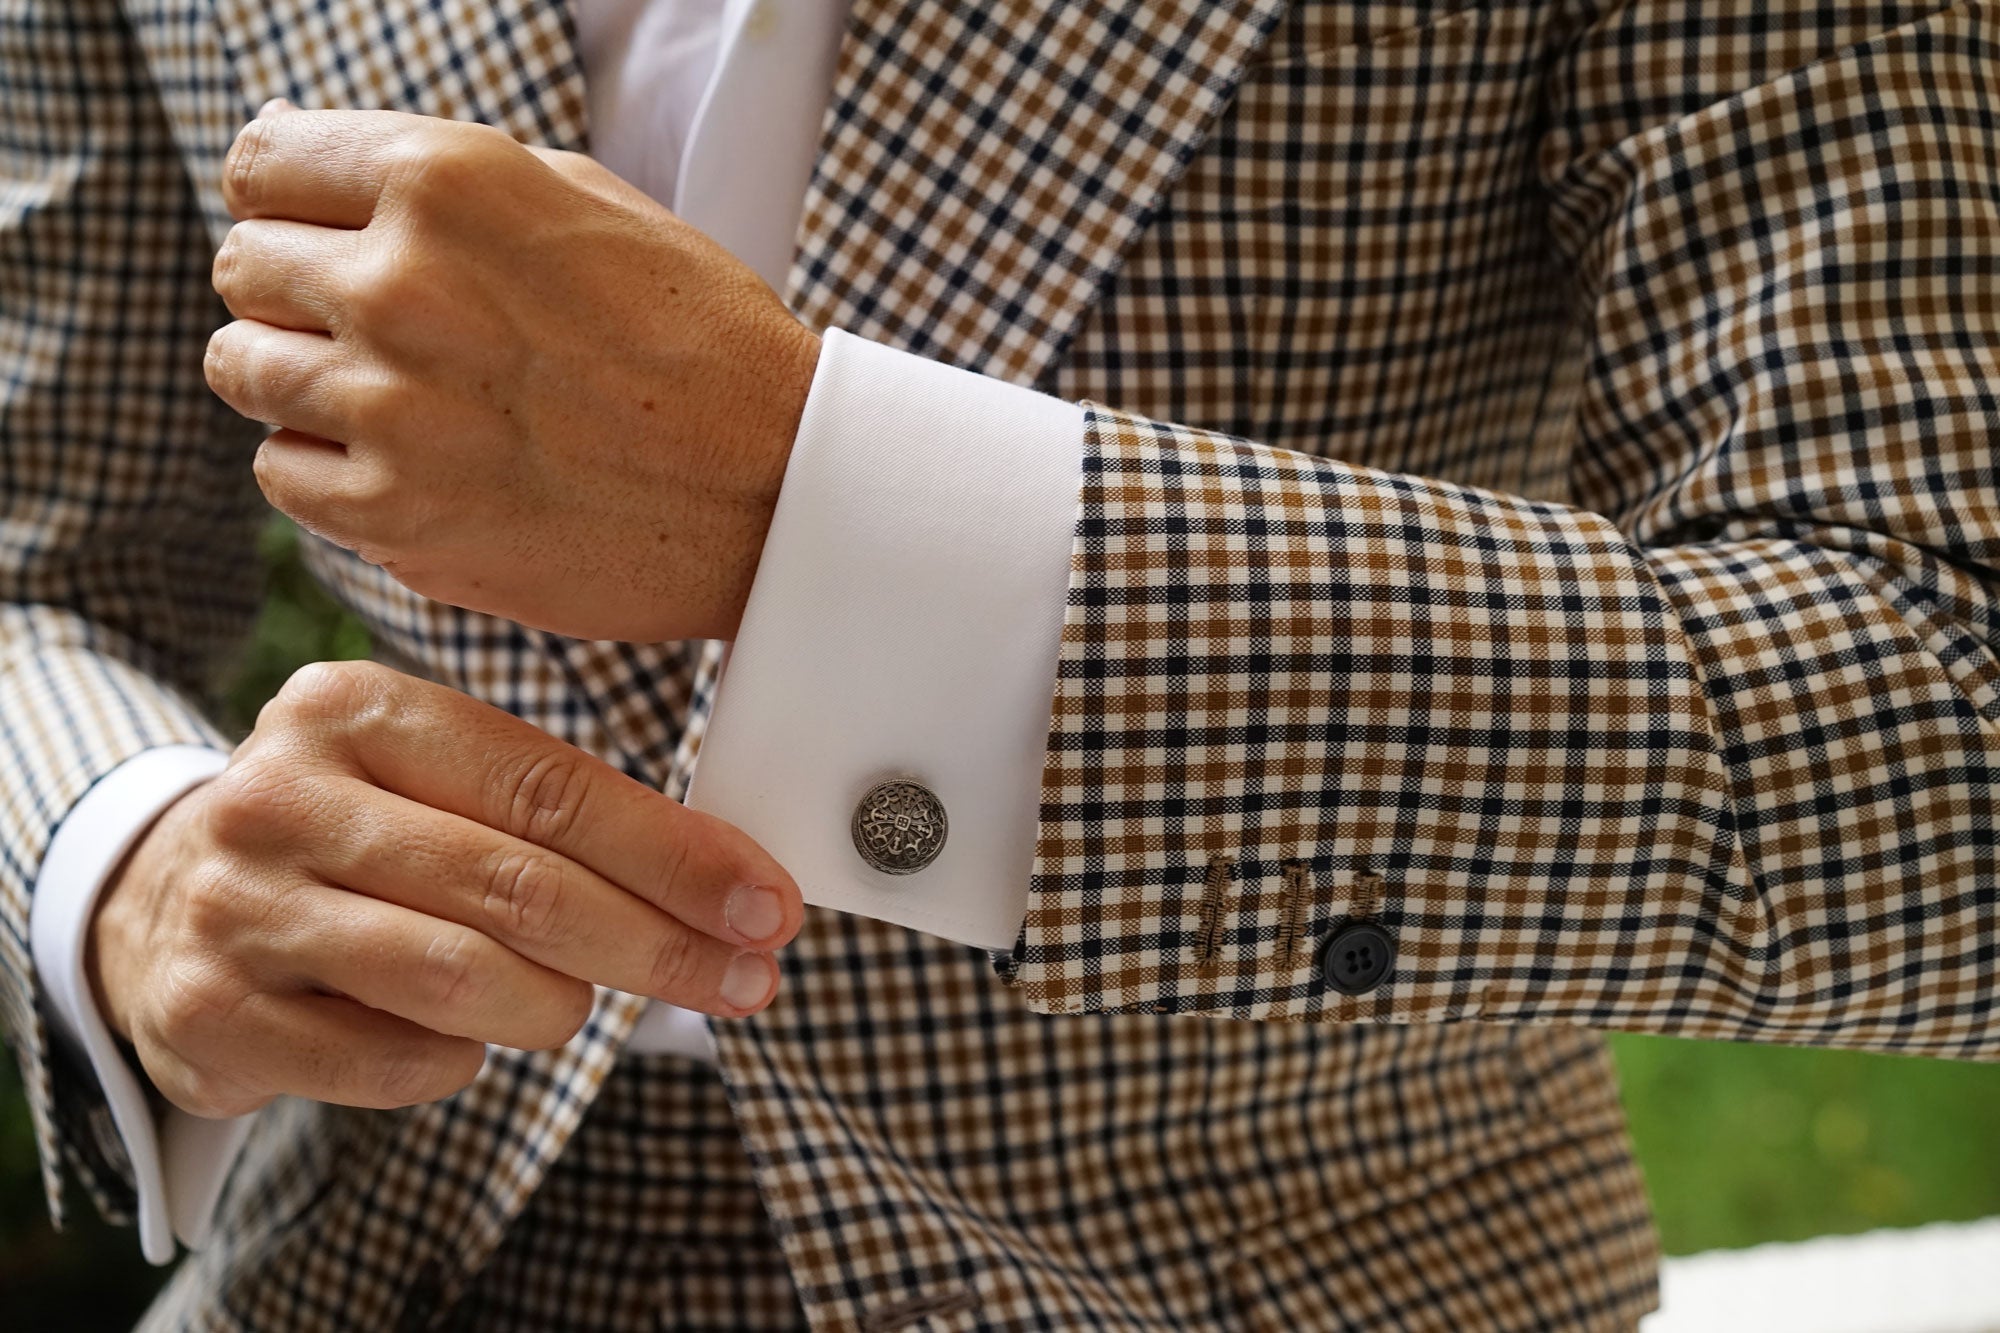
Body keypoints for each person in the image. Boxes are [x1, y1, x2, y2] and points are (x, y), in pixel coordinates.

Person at [4, 0, 1995, 1328]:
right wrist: (131, 858)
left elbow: (1940, 713)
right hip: (368, 1252)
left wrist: (834, 506)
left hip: (1274, 1272)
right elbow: (40, 568)